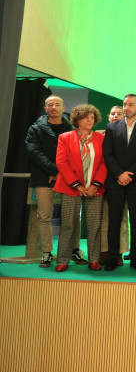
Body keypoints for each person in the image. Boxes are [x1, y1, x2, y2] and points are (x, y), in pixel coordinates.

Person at [25, 95, 84, 267]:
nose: (53, 107)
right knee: (44, 216)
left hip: (69, 179)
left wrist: (63, 173)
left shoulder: (72, 128)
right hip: (44, 178)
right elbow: (33, 151)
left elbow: (78, 153)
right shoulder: (35, 128)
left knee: (73, 217)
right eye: (50, 105)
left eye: (57, 104)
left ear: (63, 107)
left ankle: (74, 249)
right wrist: (54, 170)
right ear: (45, 108)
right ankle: (47, 252)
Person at [102, 94, 136, 271]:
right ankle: (112, 256)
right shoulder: (111, 126)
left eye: (130, 105)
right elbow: (107, 153)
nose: (126, 108)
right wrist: (119, 173)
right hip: (115, 180)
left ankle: (135, 257)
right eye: (125, 105)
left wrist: (129, 175)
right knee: (114, 220)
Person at [53, 105, 107, 272]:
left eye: (92, 117)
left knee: (94, 225)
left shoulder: (101, 138)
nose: (90, 120)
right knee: (68, 224)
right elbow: (62, 163)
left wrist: (95, 185)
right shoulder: (65, 137)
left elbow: (105, 163)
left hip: (94, 189)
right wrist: (77, 185)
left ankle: (94, 260)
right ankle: (62, 260)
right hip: (71, 187)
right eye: (86, 117)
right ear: (77, 120)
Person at [98, 106, 129, 266]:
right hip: (100, 183)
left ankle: (119, 253)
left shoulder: (127, 134)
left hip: (119, 182)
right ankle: (104, 251)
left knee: (122, 218)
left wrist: (120, 175)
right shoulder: (97, 135)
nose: (116, 116)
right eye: (113, 113)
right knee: (104, 219)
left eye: (120, 113)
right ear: (108, 117)